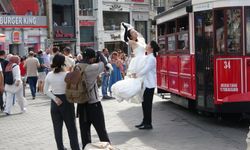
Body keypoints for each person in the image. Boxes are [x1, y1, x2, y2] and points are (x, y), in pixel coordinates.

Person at [44, 54, 80, 150]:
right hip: (67, 101)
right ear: (64, 63)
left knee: (57, 128)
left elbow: (45, 91)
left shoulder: (49, 74)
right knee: (71, 128)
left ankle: (60, 148)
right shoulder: (67, 74)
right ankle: (75, 148)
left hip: (55, 102)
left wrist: (55, 98)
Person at [77, 48, 111, 149]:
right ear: (92, 59)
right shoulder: (92, 68)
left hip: (81, 105)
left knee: (85, 133)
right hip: (94, 105)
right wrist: (100, 53)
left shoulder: (76, 67)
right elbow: (105, 62)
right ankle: (108, 148)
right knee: (101, 131)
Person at [111, 22, 147, 103]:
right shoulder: (131, 42)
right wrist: (126, 28)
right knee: (136, 80)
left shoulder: (141, 40)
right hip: (138, 61)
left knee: (141, 81)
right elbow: (125, 39)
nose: (135, 32)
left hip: (143, 59)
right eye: (133, 32)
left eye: (135, 31)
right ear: (130, 36)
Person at [134, 41, 159, 130]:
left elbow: (146, 69)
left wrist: (137, 74)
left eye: (148, 44)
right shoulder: (147, 57)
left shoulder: (152, 58)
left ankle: (148, 123)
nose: (146, 45)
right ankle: (145, 121)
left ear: (151, 48)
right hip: (145, 84)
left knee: (148, 105)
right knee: (144, 104)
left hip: (149, 85)